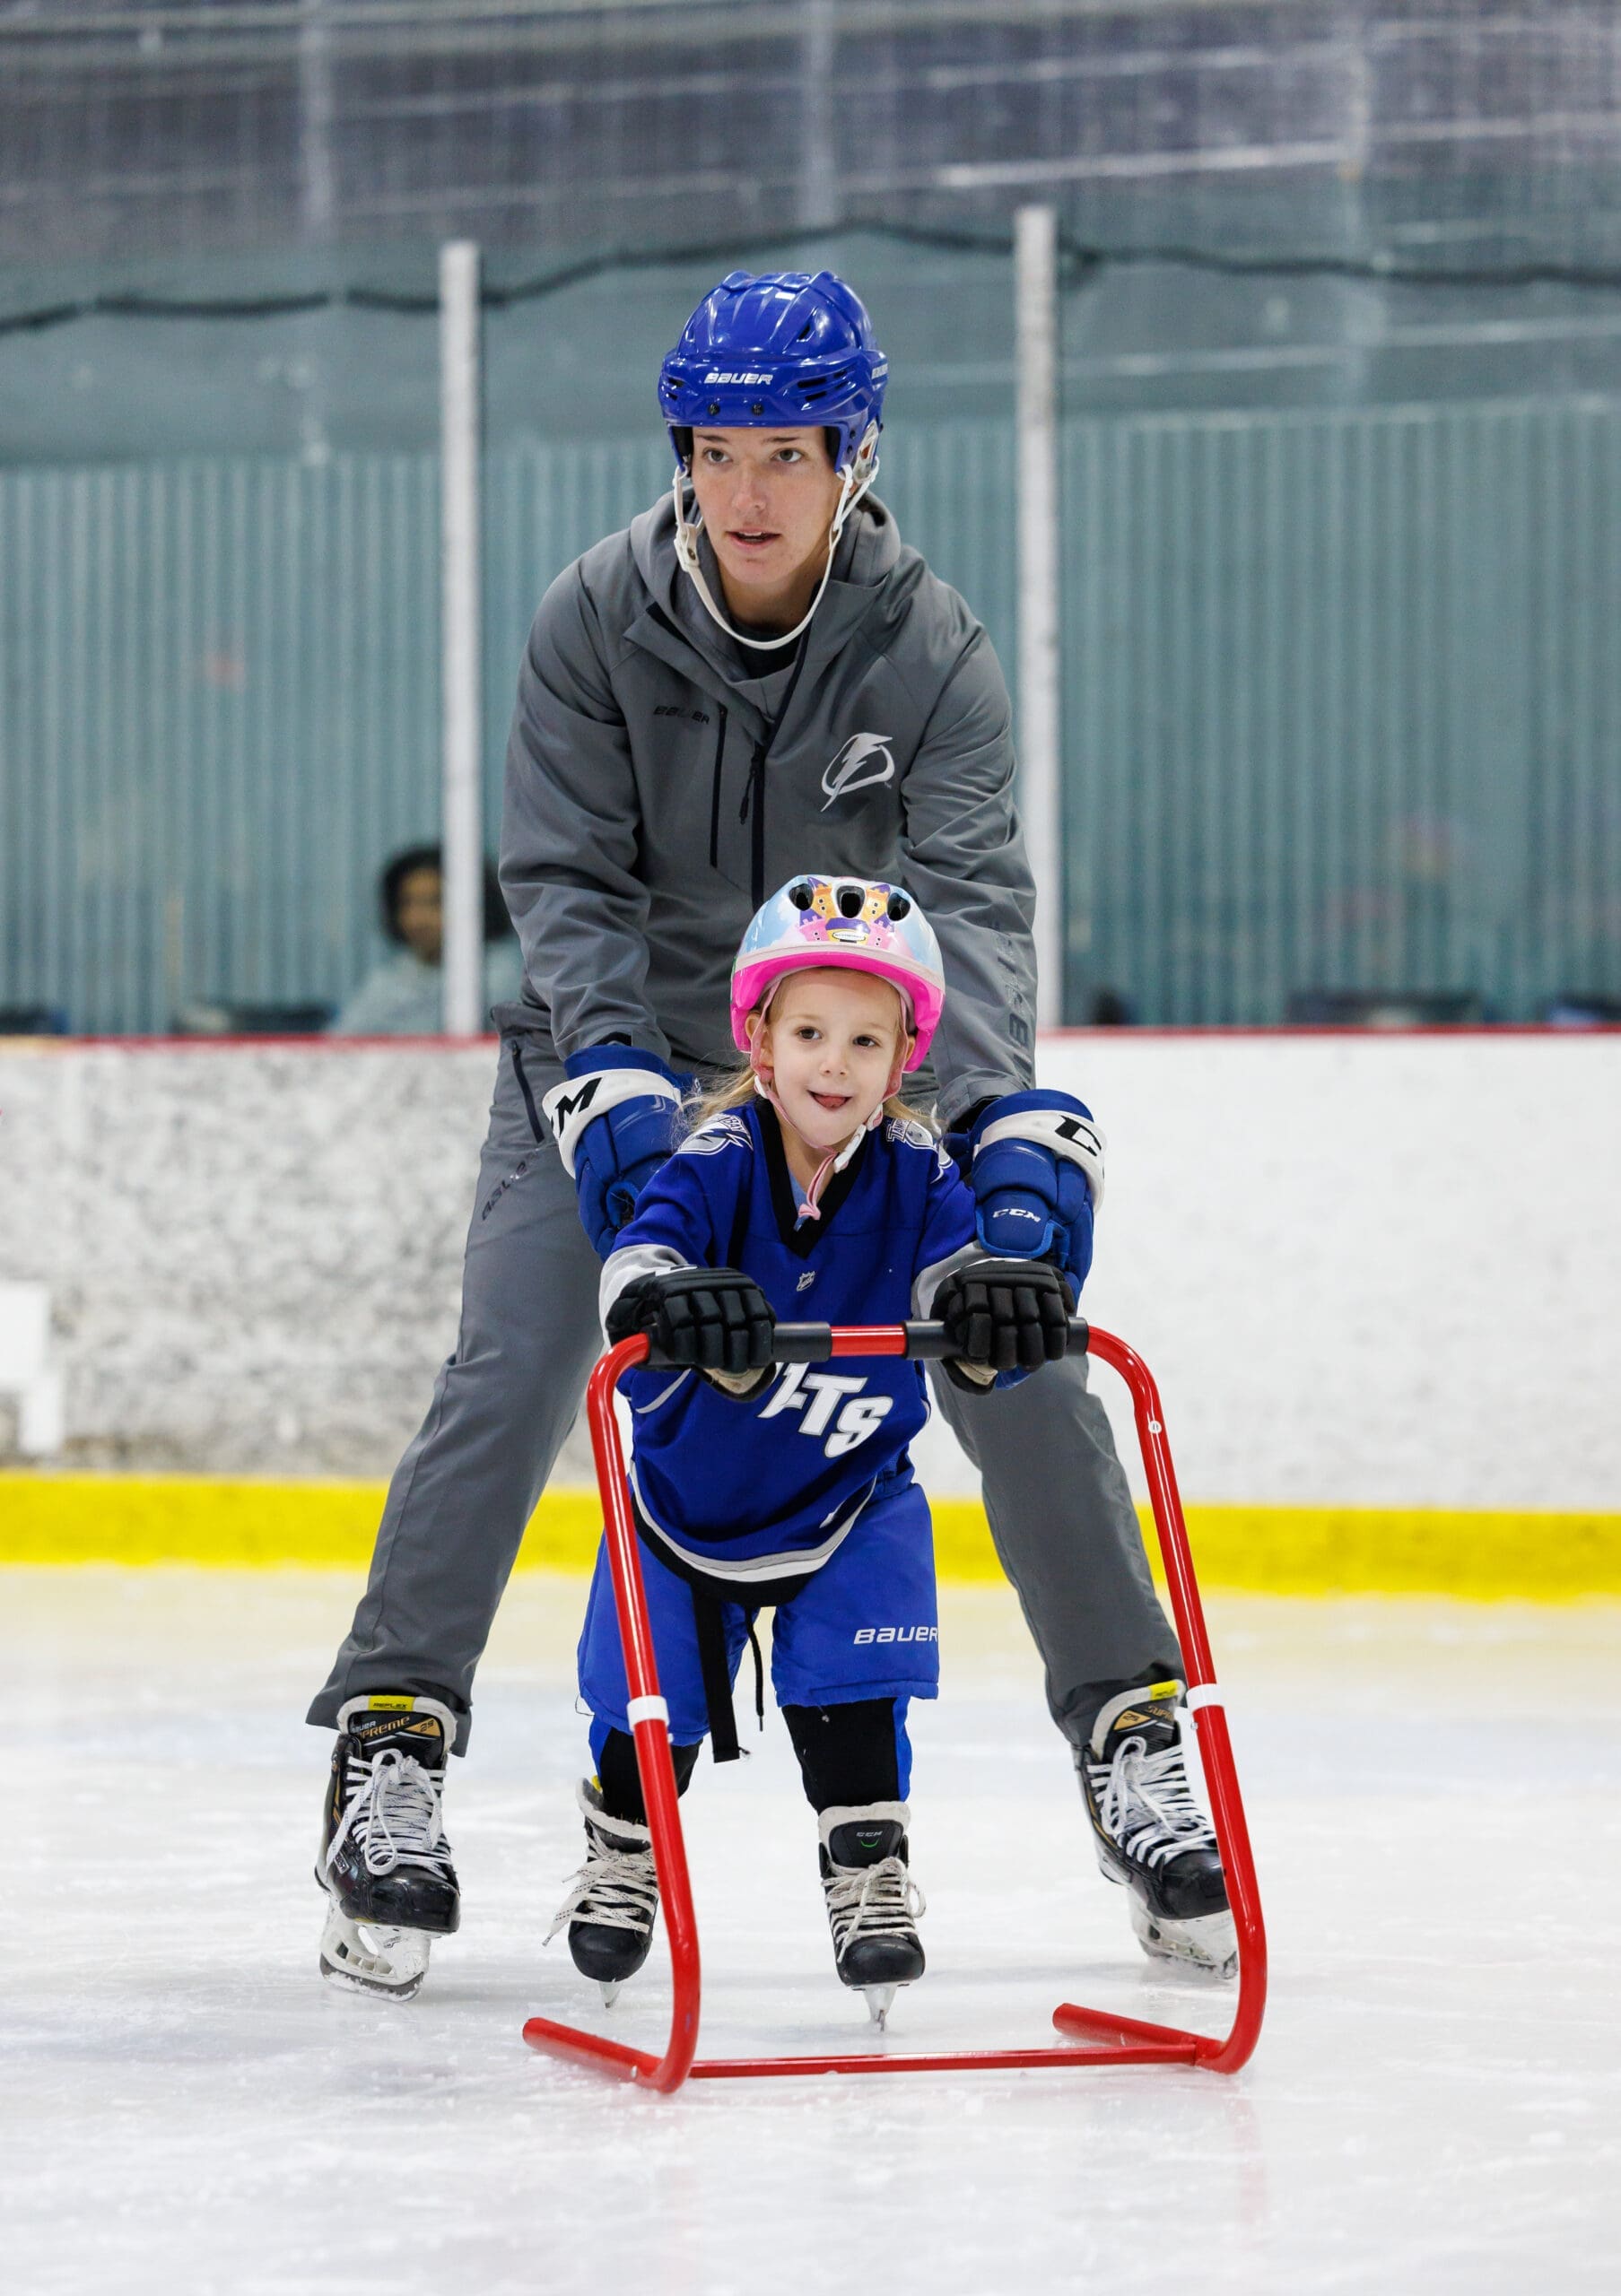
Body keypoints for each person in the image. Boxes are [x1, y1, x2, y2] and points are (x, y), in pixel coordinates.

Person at [310, 268, 1233, 2004]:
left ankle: (1132, 1740)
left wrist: (1008, 1179)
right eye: (716, 450)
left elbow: (968, 914)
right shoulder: (593, 617)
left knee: (1014, 1356)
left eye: (785, 453)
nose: (744, 493)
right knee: (514, 1368)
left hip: (851, 1079)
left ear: (853, 457)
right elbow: (565, 887)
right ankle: (390, 1744)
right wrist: (624, 1122)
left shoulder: (932, 647)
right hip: (620, 1062)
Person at [547, 876, 1071, 2024]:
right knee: (646, 1715)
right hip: (687, 1509)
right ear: (759, 1040)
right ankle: (624, 1846)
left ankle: (867, 1870)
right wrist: (674, 1301)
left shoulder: (923, 1176)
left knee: (853, 1691)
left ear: (903, 1057)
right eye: (809, 1033)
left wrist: (988, 1303)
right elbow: (638, 1258)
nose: (834, 1064)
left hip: (845, 1499)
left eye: (866, 1040)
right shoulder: (716, 1156)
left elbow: (951, 1279)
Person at [327, 844, 521, 1036]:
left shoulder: (498, 977)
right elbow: (336, 1046)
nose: (418, 919)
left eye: (435, 902)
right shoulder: (390, 980)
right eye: (407, 903)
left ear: (475, 903)